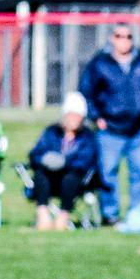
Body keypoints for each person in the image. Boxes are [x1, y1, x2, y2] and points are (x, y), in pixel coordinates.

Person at [80, 22, 140, 226]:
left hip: (138, 129)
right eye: (119, 36)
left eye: (128, 37)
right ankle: (110, 215)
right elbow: (86, 91)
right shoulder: (100, 63)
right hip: (110, 129)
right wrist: (95, 116)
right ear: (112, 38)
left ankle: (139, 214)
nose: (124, 41)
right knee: (108, 173)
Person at [27, 91, 99, 229]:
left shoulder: (87, 137)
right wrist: (46, 160)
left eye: (77, 116)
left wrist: (65, 163)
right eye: (71, 115)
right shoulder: (51, 133)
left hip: (75, 181)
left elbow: (87, 160)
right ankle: (43, 215)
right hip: (51, 178)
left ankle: (63, 216)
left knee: (70, 178)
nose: (73, 119)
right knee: (41, 174)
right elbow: (35, 154)